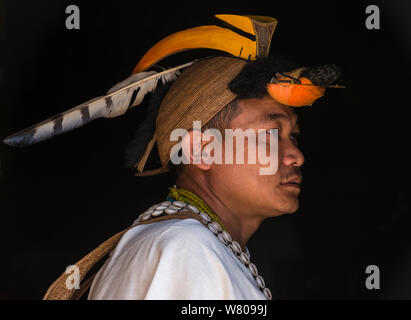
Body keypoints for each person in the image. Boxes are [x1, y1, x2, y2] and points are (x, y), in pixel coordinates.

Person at [3, 14, 342, 300]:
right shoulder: (184, 248)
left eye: (293, 136)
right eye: (270, 134)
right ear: (200, 150)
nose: (296, 155)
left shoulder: (192, 246)